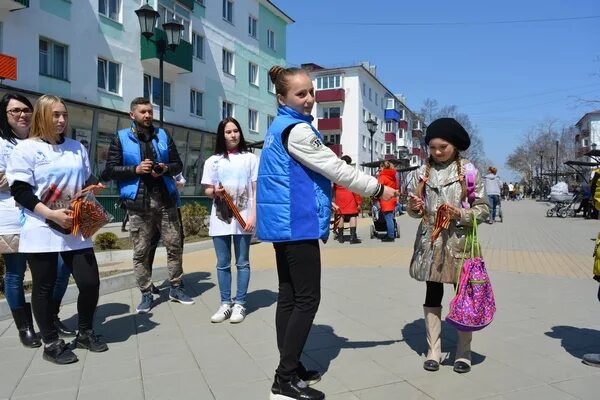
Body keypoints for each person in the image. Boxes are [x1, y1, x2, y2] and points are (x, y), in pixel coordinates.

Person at [257, 65, 398, 400]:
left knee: (290, 297)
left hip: (286, 223)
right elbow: (336, 169)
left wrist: (324, 202)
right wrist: (378, 190)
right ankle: (284, 377)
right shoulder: (298, 130)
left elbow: (300, 178)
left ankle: (289, 366)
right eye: (300, 94)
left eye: (310, 92)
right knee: (307, 299)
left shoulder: (281, 127)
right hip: (297, 225)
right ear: (282, 97)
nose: (309, 99)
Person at [7, 95, 108, 364]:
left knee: (90, 282)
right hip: (41, 226)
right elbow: (20, 191)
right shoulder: (26, 149)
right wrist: (50, 213)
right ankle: (51, 343)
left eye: (64, 114)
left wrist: (94, 186)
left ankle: (85, 332)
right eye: (55, 115)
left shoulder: (76, 147)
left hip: (75, 225)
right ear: (42, 116)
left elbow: (87, 177)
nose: (62, 120)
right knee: (44, 286)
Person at [406, 117, 489, 374]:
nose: (438, 152)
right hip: (431, 244)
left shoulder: (469, 172)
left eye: (443, 146)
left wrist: (461, 215)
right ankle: (433, 350)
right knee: (432, 293)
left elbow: (484, 210)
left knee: (463, 295)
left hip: (460, 244)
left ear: (455, 145)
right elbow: (414, 211)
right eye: (432, 147)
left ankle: (463, 353)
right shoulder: (420, 173)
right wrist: (414, 208)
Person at [102, 97, 193, 314]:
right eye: (142, 112)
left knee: (174, 245)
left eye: (150, 111)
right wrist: (135, 169)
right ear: (131, 115)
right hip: (138, 203)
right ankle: (145, 292)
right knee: (141, 251)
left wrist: (163, 168)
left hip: (166, 200)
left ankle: (176, 287)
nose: (147, 115)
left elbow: (177, 164)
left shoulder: (162, 135)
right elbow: (108, 171)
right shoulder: (121, 137)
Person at [0, 93, 76, 348]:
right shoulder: (2, 143)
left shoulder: (45, 142)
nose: (22, 114)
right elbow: (14, 184)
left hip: (46, 217)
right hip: (12, 217)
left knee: (60, 269)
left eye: (26, 109)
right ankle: (25, 327)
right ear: (5, 115)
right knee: (15, 273)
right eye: (15, 111)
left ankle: (50, 318)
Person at [201, 117, 258, 324]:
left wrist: (253, 216)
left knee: (242, 262)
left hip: (244, 218)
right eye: (228, 132)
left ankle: (240, 303)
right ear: (221, 135)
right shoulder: (213, 161)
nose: (233, 135)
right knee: (222, 264)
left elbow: (255, 189)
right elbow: (207, 189)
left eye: (236, 131)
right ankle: (225, 303)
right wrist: (214, 191)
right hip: (221, 218)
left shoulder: (250, 159)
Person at [332, 155, 362, 244]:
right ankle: (352, 238)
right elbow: (355, 187)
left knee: (341, 215)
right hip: (350, 196)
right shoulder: (351, 172)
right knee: (353, 215)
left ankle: (341, 238)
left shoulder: (336, 172)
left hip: (339, 196)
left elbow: (334, 186)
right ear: (349, 163)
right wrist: (359, 202)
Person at [377, 160, 399, 242]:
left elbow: (379, 188)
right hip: (392, 198)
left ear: (383, 167)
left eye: (380, 167)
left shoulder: (382, 176)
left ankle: (390, 236)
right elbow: (396, 187)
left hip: (385, 198)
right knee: (390, 217)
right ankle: (390, 233)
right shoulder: (393, 176)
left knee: (388, 218)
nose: (379, 169)